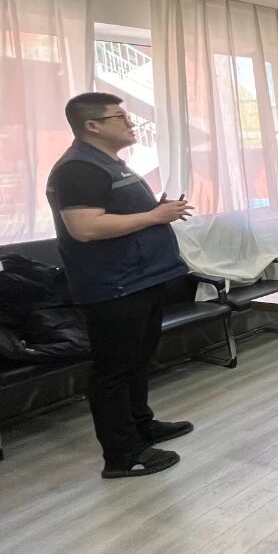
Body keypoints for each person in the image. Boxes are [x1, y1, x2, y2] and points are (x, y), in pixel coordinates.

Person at [46, 93, 196, 478]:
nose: (131, 123)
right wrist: (154, 216)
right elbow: (85, 228)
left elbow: (121, 216)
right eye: (120, 117)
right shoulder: (77, 169)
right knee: (113, 370)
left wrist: (155, 212)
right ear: (92, 126)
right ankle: (122, 454)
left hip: (139, 279)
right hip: (112, 286)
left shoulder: (109, 164)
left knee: (137, 362)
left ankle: (141, 426)